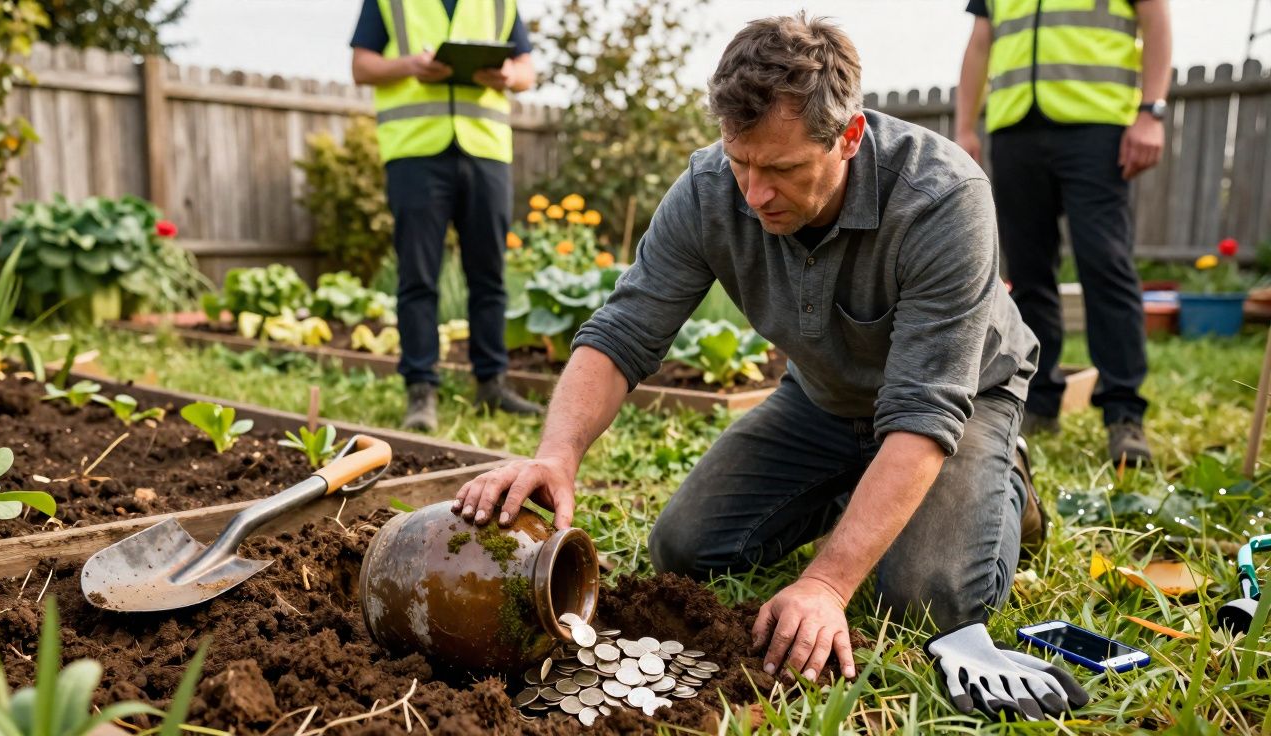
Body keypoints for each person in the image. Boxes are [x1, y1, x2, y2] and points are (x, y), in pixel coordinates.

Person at [451, 14, 1077, 715]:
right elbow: (625, 330)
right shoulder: (710, 189)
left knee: (923, 601)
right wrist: (557, 455)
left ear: (849, 137)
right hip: (825, 400)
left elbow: (927, 409)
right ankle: (866, 489)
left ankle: (1004, 485)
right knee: (686, 546)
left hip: (960, 401)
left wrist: (828, 584)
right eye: (740, 162)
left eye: (780, 169)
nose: (754, 194)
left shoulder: (942, 200)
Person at [954, 0, 1172, 464]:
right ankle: (1038, 402)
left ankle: (1123, 413)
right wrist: (965, 127)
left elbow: (1155, 18)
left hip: (1096, 126)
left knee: (1104, 264)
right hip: (1014, 129)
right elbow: (980, 43)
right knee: (1027, 274)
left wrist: (1152, 111)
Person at [351, 0, 544, 431]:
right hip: (416, 153)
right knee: (418, 277)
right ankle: (421, 392)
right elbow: (362, 66)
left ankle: (492, 385)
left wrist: (508, 75)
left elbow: (527, 70)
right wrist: (411, 66)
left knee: (489, 275)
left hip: (486, 152)